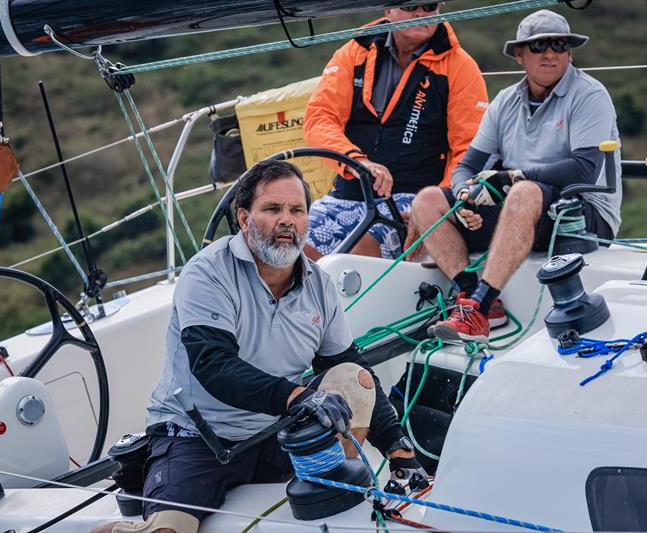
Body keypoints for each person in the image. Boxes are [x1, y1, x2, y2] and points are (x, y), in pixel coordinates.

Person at [93, 160, 423, 533]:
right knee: (169, 532)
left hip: (274, 434)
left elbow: (347, 364)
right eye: (273, 209)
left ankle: (342, 488)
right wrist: (298, 397)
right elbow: (213, 364)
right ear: (244, 217)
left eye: (297, 211)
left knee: (352, 377)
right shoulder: (207, 273)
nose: (287, 221)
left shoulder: (320, 285)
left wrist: (397, 447)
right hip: (197, 437)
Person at [409, 10, 622, 342]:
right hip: (520, 209)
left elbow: (584, 168)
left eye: (559, 45)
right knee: (427, 201)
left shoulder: (590, 95)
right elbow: (467, 165)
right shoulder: (505, 101)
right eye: (538, 46)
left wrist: (512, 178)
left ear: (570, 52)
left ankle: (479, 305)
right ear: (520, 55)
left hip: (582, 215)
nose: (550, 53)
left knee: (523, 192)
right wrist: (465, 192)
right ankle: (471, 297)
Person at [303, 2, 488, 260]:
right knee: (292, 246)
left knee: (360, 255)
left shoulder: (460, 66)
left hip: (414, 197)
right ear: (387, 11)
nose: (420, 13)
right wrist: (357, 161)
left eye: (430, 5)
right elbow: (320, 118)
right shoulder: (353, 52)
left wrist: (435, 208)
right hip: (348, 194)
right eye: (410, 5)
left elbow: (470, 148)